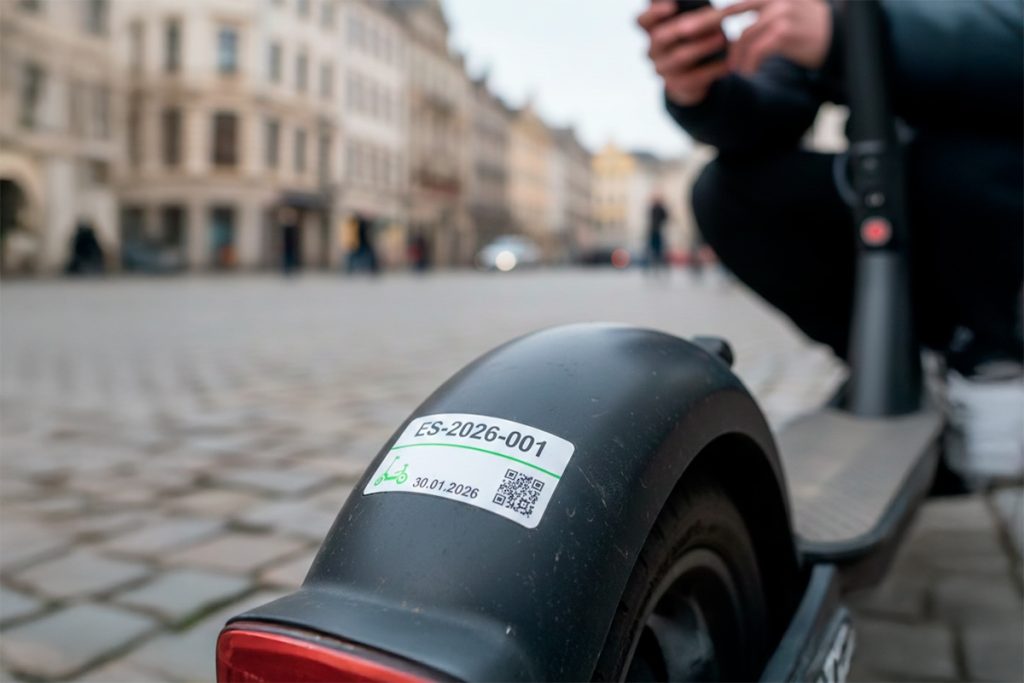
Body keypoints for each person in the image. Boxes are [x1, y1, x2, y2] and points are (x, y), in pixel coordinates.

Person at [638, 0, 1023, 483]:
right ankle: (910, 369)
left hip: (997, 185)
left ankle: (994, 364)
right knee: (730, 193)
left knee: (962, 163)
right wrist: (705, 93)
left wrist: (854, 34)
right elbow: (775, 106)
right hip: (914, 193)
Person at [646, 194, 669, 274]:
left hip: (657, 231)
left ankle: (657, 267)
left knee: (657, 251)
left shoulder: (657, 209)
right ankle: (654, 267)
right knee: (654, 251)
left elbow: (665, 217)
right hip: (655, 231)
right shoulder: (655, 209)